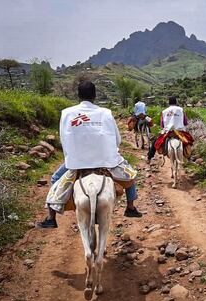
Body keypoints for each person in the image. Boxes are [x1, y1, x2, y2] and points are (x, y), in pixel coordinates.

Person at [37, 81, 142, 229]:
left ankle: (51, 217)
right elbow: (117, 139)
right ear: (95, 96)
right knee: (131, 174)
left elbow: (64, 138)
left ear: (78, 95)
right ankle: (130, 207)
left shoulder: (66, 113)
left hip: (77, 161)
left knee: (55, 178)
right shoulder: (106, 113)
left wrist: (72, 155)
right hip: (106, 161)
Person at [147, 96, 193, 163]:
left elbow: (162, 124)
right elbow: (185, 122)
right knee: (189, 140)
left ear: (169, 103)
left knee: (155, 141)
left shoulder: (164, 111)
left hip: (168, 132)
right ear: (176, 102)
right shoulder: (181, 110)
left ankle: (149, 157)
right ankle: (189, 158)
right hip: (179, 132)